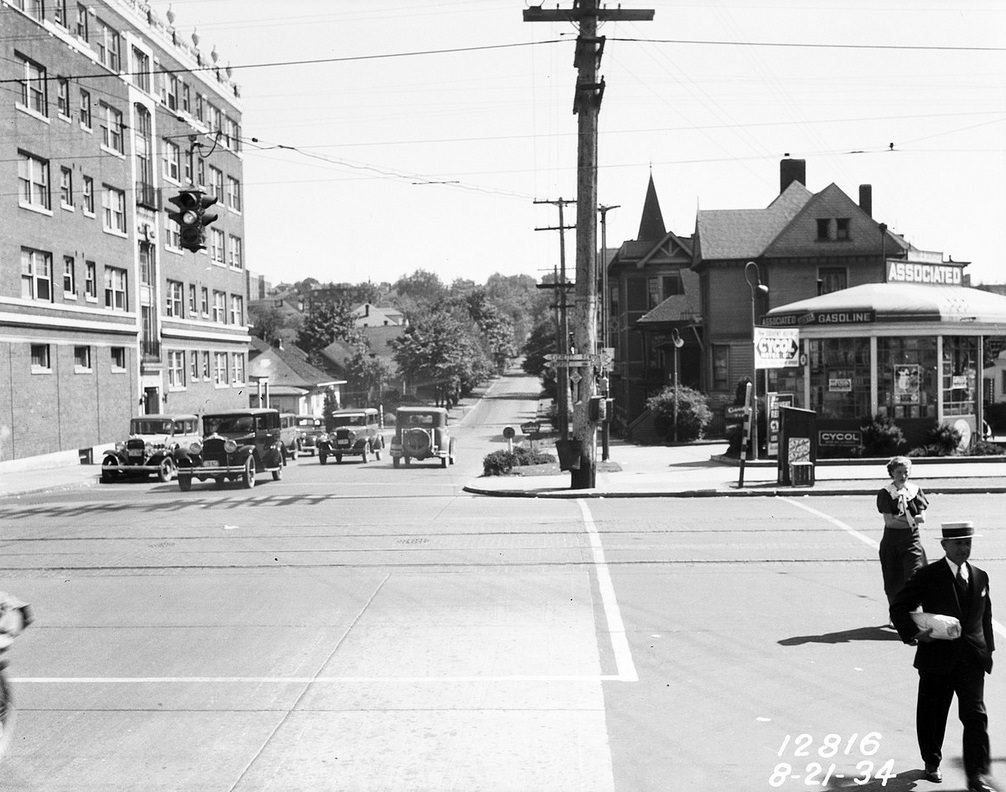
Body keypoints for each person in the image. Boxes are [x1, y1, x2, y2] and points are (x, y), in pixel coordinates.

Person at [890, 522, 996, 791]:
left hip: (972, 661)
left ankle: (976, 776)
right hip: (937, 660)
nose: (964, 548)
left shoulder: (980, 576)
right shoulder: (928, 575)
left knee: (975, 717)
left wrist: (988, 653)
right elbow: (899, 607)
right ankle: (931, 761)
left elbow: (985, 618)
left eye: (967, 543)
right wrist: (916, 633)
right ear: (944, 545)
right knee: (932, 715)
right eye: (958, 543)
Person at [877, 455, 929, 608]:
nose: (903, 476)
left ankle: (912, 610)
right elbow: (890, 522)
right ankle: (895, 613)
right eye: (899, 472)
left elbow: (922, 518)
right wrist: (912, 521)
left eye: (906, 472)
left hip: (912, 541)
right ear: (892, 473)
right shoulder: (886, 493)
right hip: (892, 542)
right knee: (893, 579)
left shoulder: (915, 491)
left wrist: (908, 520)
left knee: (915, 576)